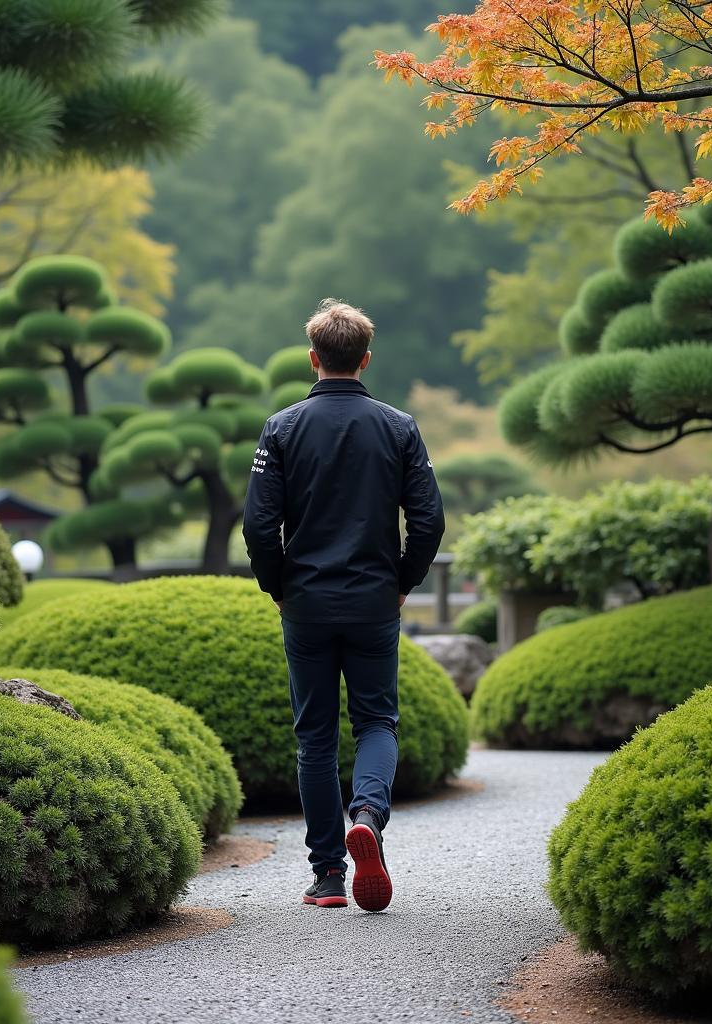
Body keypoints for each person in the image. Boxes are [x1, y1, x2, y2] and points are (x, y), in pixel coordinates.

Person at [242, 298, 445, 913]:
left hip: (305, 602)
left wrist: (277, 586)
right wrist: (402, 581)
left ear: (313, 358)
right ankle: (368, 815)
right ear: (365, 358)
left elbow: (258, 525)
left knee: (315, 737)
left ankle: (328, 875)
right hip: (373, 602)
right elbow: (430, 520)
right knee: (377, 721)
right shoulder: (399, 427)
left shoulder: (281, 428)